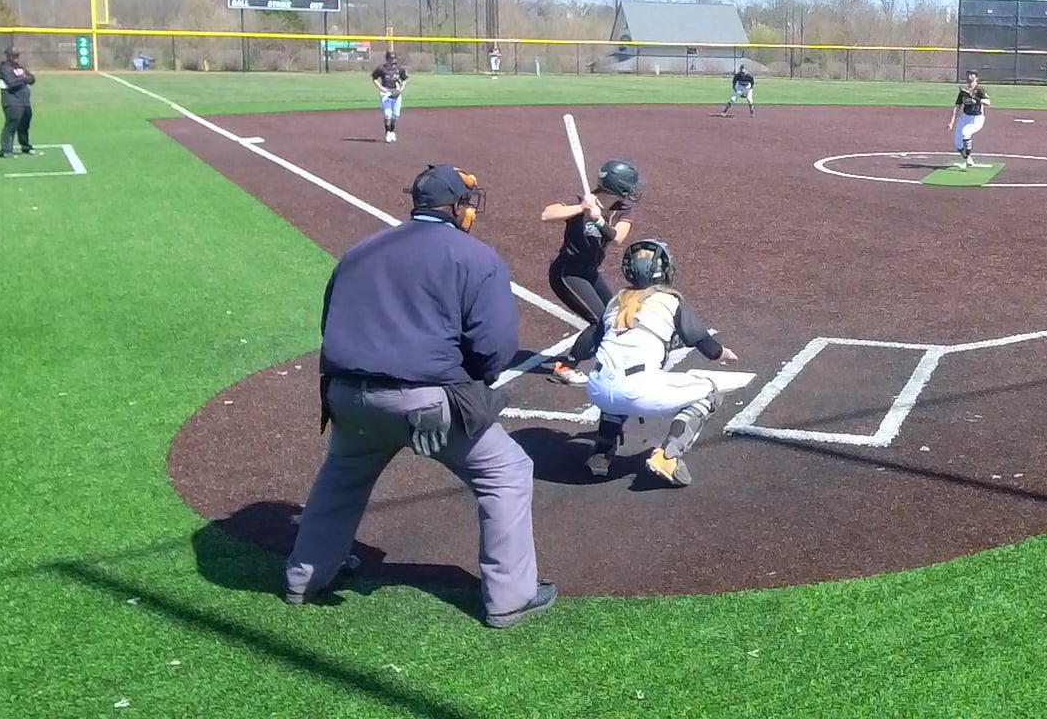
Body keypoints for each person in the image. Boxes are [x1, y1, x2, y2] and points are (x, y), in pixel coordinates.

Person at [284, 163, 557, 628]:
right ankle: (510, 598)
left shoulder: (360, 250)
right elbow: (494, 347)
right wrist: (463, 388)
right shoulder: (475, 257)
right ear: (456, 207)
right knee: (506, 472)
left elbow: (329, 323)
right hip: (426, 403)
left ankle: (303, 577)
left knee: (342, 478)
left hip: (347, 397)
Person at [582, 240, 740, 486]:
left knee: (615, 381)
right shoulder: (671, 300)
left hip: (597, 390)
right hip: (640, 391)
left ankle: (601, 453)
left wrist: (571, 361)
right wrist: (724, 354)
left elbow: (591, 339)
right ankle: (668, 456)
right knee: (712, 391)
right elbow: (705, 345)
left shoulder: (616, 301)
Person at [538, 158, 641, 388]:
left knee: (613, 316)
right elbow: (547, 214)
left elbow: (618, 237)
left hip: (590, 272)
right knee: (598, 320)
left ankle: (607, 356)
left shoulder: (622, 210)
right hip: (567, 272)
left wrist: (600, 221)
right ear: (618, 186)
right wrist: (581, 208)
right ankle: (566, 367)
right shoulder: (581, 201)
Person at [0, 47, 40, 159]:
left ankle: (25, 146)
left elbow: (32, 79)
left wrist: (23, 77)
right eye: (13, 55)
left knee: (24, 126)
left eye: (17, 55)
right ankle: (6, 150)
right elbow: (11, 83)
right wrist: (23, 78)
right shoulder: (4, 68)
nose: (16, 58)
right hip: (12, 101)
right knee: (11, 125)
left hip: (24, 101)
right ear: (8, 56)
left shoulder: (19, 67)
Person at [949, 70, 992, 169]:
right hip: (964, 118)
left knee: (966, 132)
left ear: (976, 77)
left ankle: (966, 161)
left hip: (976, 118)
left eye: (972, 74)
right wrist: (951, 122)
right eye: (968, 74)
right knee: (958, 144)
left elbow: (988, 102)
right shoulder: (963, 91)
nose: (969, 76)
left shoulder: (980, 89)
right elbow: (957, 106)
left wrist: (976, 99)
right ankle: (967, 159)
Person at [371, 51, 409, 143]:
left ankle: (392, 131)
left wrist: (401, 89)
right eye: (391, 59)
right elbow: (374, 78)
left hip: (396, 92)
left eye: (394, 59)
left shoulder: (399, 68)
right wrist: (381, 88)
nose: (393, 61)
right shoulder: (381, 68)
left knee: (396, 115)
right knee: (387, 114)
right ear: (387, 59)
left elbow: (404, 79)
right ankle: (387, 132)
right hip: (386, 93)